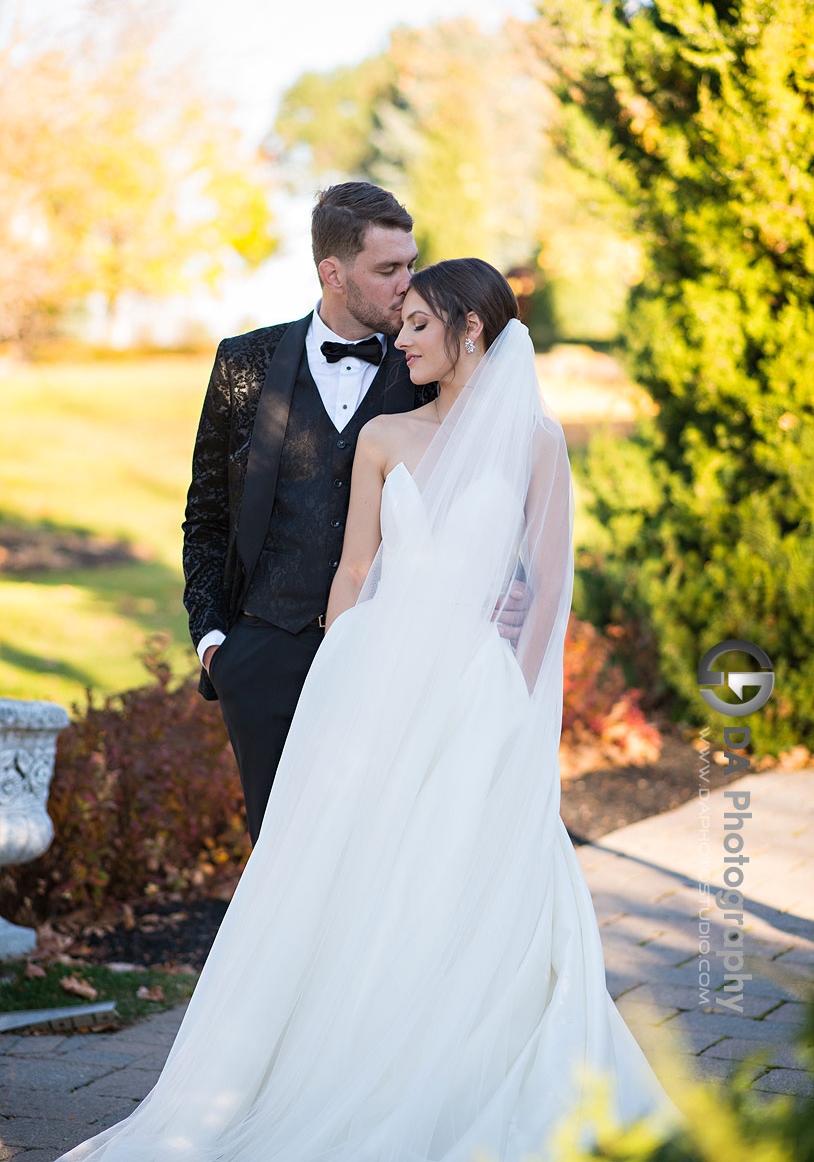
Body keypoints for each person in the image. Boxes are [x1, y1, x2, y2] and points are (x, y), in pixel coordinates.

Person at [59, 259, 677, 1162]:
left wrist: (520, 701)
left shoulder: (538, 443)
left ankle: (458, 1058)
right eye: (404, 322)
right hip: (375, 676)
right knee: (357, 872)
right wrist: (335, 689)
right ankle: (332, 1054)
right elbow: (354, 571)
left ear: (470, 330)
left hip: (472, 690)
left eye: (421, 323)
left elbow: (546, 591)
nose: (402, 339)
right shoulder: (385, 437)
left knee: (464, 875)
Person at [182, 182, 525, 843]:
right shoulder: (244, 364)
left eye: (411, 264)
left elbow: (492, 479)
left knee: (376, 859)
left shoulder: (429, 364)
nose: (408, 285)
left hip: (394, 659)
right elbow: (205, 517)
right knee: (282, 862)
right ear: (332, 274)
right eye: (388, 270)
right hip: (264, 658)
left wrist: (513, 585)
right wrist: (215, 643)